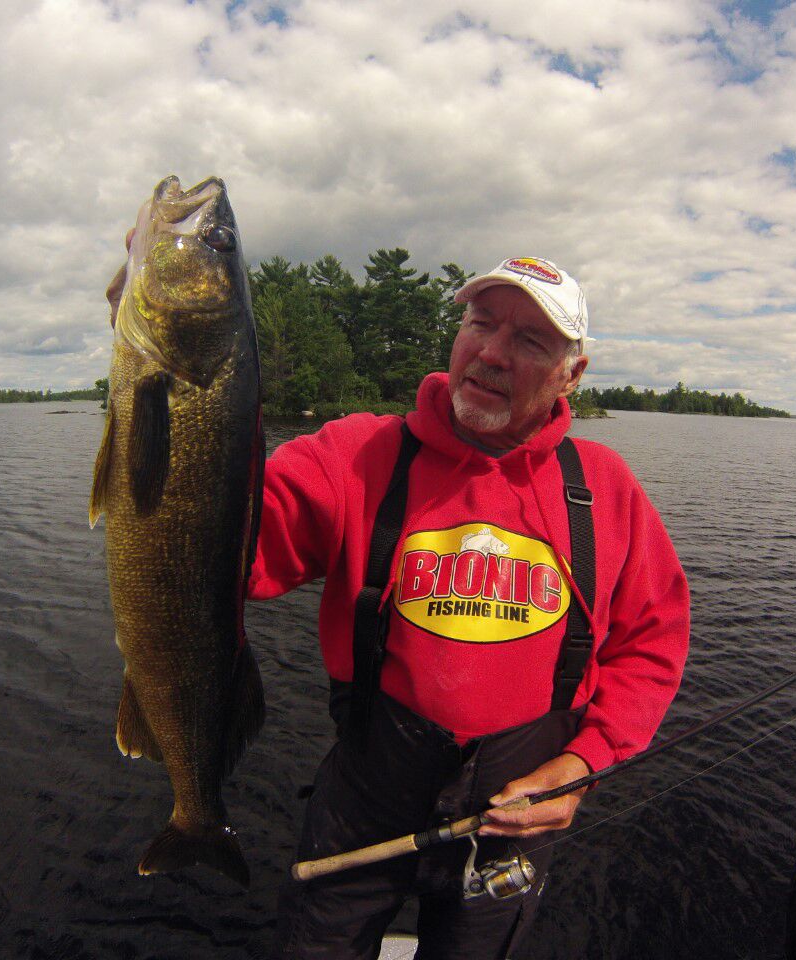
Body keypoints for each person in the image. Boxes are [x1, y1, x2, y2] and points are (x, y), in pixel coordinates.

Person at [241, 256, 691, 959]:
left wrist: (584, 761)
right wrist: (173, 375)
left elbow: (653, 641)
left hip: (517, 819)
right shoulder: (357, 454)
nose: (491, 352)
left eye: (531, 341)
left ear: (572, 374)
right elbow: (224, 548)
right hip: (366, 797)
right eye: (481, 324)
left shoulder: (604, 488)